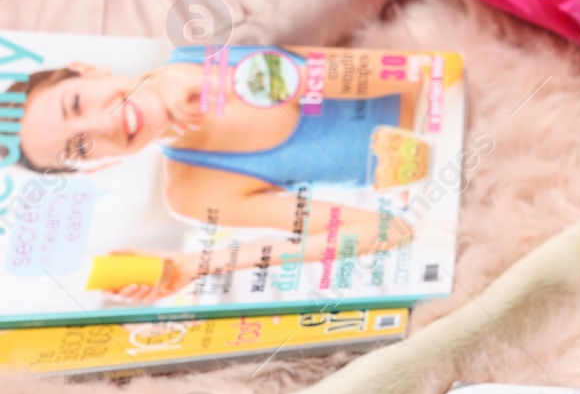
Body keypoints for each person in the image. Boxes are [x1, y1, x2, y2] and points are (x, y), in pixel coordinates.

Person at [12, 45, 451, 302]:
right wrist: (194, 266)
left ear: (88, 72)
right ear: (98, 165)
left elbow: (419, 70)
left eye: (76, 104)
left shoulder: (197, 56)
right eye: (80, 146)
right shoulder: (191, 193)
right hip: (447, 174)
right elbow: (389, 231)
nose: (104, 124)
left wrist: (238, 82)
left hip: (458, 94)